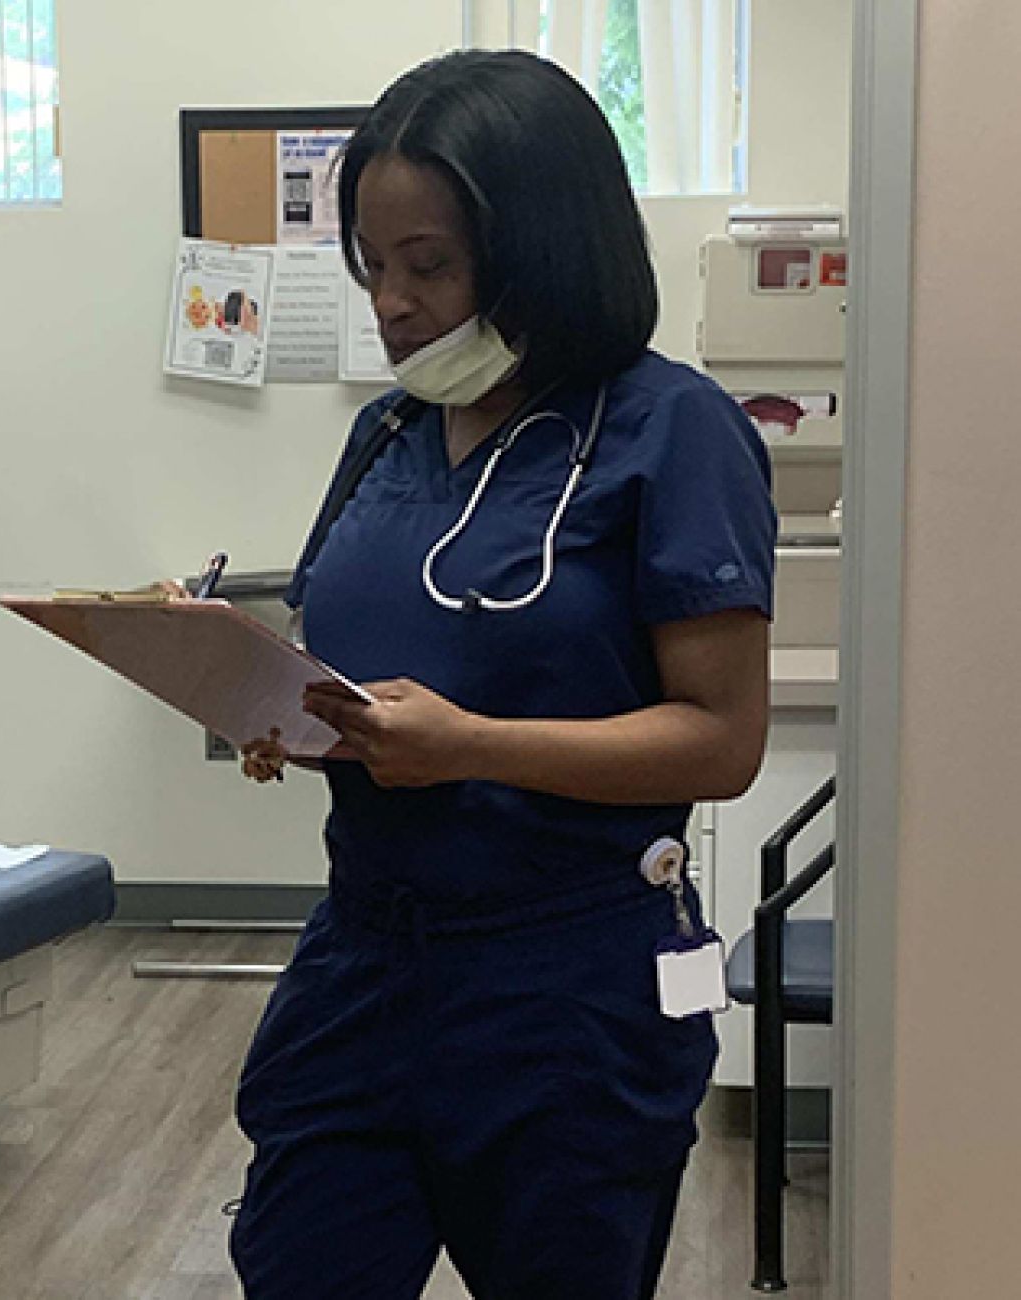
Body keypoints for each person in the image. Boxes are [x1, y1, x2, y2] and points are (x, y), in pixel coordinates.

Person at [227, 49, 776, 1300]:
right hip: (362, 964)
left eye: (429, 264)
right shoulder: (387, 435)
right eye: (372, 265)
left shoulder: (672, 431)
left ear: (540, 245)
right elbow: (356, 668)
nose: (394, 304)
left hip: (563, 993)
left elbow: (719, 741)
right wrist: (273, 708)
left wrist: (474, 744)